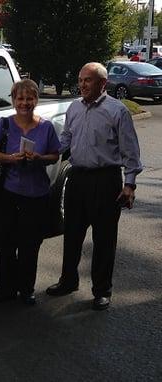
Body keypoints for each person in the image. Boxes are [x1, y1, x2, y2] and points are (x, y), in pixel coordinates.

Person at [45, 62, 142, 311]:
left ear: (102, 83)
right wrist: (46, 151)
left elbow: (130, 151)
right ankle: (68, 281)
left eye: (87, 80)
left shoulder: (117, 111)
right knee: (72, 233)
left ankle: (102, 290)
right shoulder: (74, 108)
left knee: (104, 239)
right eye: (80, 80)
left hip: (106, 181)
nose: (82, 85)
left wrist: (129, 184)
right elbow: (66, 139)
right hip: (77, 179)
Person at [0, 79, 61, 305]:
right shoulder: (4, 124)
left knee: (30, 246)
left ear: (36, 100)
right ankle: (4, 290)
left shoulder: (46, 127)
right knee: (5, 244)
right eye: (20, 98)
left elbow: (55, 155)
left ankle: (26, 289)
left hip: (37, 196)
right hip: (7, 194)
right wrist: (10, 158)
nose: (24, 103)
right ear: (13, 100)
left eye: (29, 99)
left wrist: (39, 158)